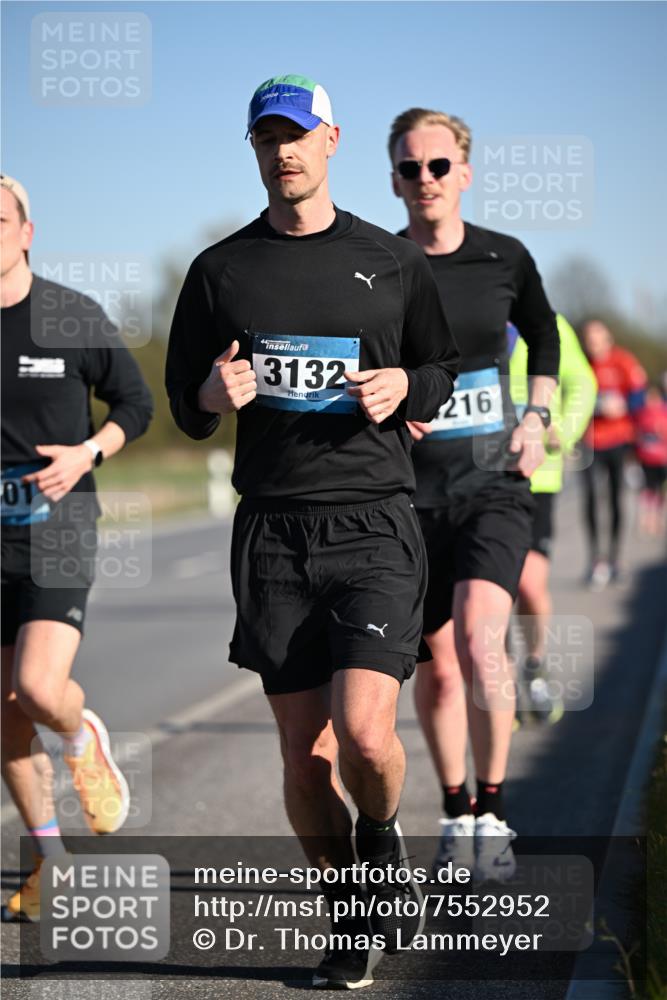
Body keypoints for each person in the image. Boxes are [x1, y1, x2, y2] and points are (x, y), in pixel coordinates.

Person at [165, 76, 459, 989]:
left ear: (331, 140)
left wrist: (404, 387)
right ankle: (348, 918)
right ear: (253, 149)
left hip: (373, 520)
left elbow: (440, 368)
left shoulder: (390, 262)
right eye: (265, 139)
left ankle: (380, 835)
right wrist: (212, 397)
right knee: (305, 754)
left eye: (296, 135)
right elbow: (184, 399)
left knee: (365, 737)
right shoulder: (221, 271)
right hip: (273, 533)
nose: (282, 151)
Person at [388, 108, 559, 879]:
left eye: (436, 165)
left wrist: (538, 414)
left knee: (478, 638)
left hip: (491, 486)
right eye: (407, 167)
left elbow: (545, 335)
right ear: (392, 176)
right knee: (439, 669)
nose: (423, 180)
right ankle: (455, 809)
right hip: (408, 499)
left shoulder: (504, 256)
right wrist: (389, 416)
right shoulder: (377, 264)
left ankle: (491, 810)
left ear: (464, 170)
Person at [1, 175, 153, 921]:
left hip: (58, 522)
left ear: (27, 232)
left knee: (35, 686)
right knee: (2, 715)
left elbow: (136, 403)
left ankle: (80, 732)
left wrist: (87, 453)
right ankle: (49, 861)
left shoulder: (66, 313)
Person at [508, 314, 597, 724]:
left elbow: (582, 382)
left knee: (527, 582)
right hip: (475, 478)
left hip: (537, 476)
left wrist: (565, 427)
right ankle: (498, 683)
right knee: (482, 591)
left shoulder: (547, 322)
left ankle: (536, 665)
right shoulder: (463, 310)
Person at [580, 319, 647, 588]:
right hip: (589, 441)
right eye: (588, 340)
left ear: (608, 338)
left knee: (617, 499)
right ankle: (596, 559)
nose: (593, 345)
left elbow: (639, 395)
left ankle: (616, 557)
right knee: (591, 500)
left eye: (597, 339)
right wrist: (596, 407)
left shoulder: (623, 360)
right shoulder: (583, 364)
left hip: (619, 440)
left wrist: (624, 405)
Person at [634, 383, 667, 536]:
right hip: (646, 458)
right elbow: (636, 434)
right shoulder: (642, 414)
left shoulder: (664, 413)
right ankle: (647, 518)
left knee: (659, 491)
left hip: (662, 458)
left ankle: (658, 519)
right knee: (647, 490)